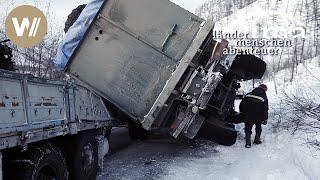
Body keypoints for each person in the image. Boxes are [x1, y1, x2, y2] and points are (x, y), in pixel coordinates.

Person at [239, 84, 269, 148]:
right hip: (258, 116)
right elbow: (265, 109)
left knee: (248, 126)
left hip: (248, 114)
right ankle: (257, 140)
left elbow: (242, 104)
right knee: (258, 126)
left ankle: (248, 143)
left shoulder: (249, 94)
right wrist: (265, 119)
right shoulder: (264, 97)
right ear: (264, 89)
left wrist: (242, 112)